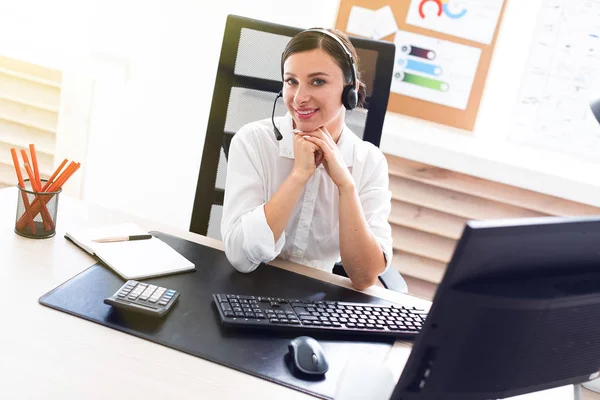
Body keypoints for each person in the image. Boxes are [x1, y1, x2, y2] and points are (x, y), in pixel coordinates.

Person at [221, 27, 402, 291]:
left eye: (317, 81)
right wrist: (298, 176)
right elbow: (239, 257)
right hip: (245, 291)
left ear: (348, 88)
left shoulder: (368, 162)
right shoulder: (254, 142)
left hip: (319, 303)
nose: (299, 98)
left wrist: (346, 186)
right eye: (291, 81)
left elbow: (364, 278)